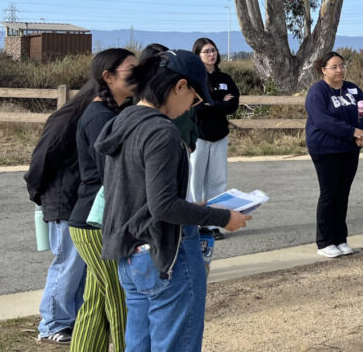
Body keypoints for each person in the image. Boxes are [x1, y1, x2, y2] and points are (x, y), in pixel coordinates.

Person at [95, 50, 250, 351]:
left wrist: (197, 209)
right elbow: (163, 205)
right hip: (166, 251)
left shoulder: (122, 121)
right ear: (180, 86)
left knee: (138, 342)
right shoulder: (161, 131)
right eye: (195, 98)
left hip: (131, 253)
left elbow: (135, 192)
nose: (192, 106)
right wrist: (223, 218)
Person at [67, 48, 136, 352]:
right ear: (108, 77)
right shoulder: (99, 117)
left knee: (95, 302)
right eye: (131, 71)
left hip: (94, 221)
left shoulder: (111, 113)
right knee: (120, 297)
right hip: (96, 223)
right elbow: (114, 178)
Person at [24, 74, 96, 344]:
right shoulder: (67, 119)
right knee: (68, 263)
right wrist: (37, 192)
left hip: (81, 200)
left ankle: (72, 318)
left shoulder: (93, 118)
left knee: (82, 265)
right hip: (64, 199)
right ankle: (52, 324)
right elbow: (41, 159)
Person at [305, 51, 363, 258]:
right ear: (323, 70)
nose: (339, 70)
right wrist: (351, 131)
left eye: (342, 66)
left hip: (349, 148)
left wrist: (362, 131)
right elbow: (322, 119)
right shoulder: (318, 91)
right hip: (325, 149)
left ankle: (340, 239)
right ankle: (325, 241)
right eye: (334, 67)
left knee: (343, 193)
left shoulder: (352, 89)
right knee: (329, 193)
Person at [189, 37, 240, 239]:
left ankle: (213, 222)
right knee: (196, 180)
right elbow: (197, 107)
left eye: (214, 50)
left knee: (217, 180)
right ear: (198, 55)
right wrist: (219, 104)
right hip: (199, 136)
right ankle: (196, 221)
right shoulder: (193, 80)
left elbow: (233, 105)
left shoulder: (225, 79)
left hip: (220, 135)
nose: (212, 54)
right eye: (207, 51)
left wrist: (213, 105)